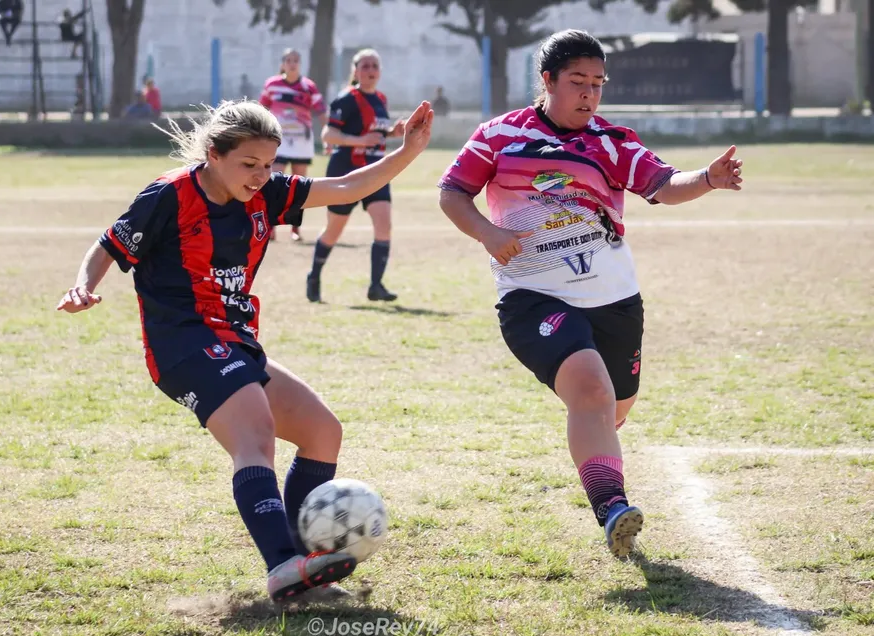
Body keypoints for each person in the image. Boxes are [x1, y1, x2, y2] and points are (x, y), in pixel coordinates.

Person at [56, 99, 433, 601]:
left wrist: (408, 151)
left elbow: (346, 186)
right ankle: (282, 565)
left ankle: (306, 568)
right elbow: (108, 245)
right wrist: (83, 286)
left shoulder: (267, 193)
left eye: (269, 164)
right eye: (249, 164)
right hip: (182, 343)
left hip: (235, 340)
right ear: (214, 154)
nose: (261, 176)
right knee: (254, 433)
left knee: (322, 432)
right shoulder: (170, 195)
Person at [437, 30, 743, 558]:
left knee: (615, 407)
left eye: (598, 83)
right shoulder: (499, 136)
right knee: (591, 391)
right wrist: (487, 232)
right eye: (577, 81)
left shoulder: (611, 141)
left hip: (614, 298)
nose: (589, 93)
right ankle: (613, 508)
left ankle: (598, 445)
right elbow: (452, 192)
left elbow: (664, 185)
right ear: (548, 80)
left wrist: (707, 179)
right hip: (533, 295)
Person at [306, 48, 405, 303]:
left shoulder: (381, 99)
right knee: (334, 230)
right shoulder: (347, 99)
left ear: (380, 71)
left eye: (374, 66)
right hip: (346, 171)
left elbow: (376, 134)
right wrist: (359, 141)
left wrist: (393, 132)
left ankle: (376, 286)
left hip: (376, 171)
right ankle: (314, 276)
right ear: (355, 71)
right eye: (365, 66)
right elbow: (328, 135)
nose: (370, 70)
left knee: (384, 225)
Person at [259, 48, 327, 243]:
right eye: (288, 60)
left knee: (299, 187)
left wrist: (327, 136)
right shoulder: (272, 85)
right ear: (282, 64)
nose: (292, 64)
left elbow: (321, 112)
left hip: (301, 143)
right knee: (273, 184)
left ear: (300, 64)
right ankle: (270, 228)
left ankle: (295, 229)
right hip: (278, 142)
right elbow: (260, 110)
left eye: (296, 60)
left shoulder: (309, 87)